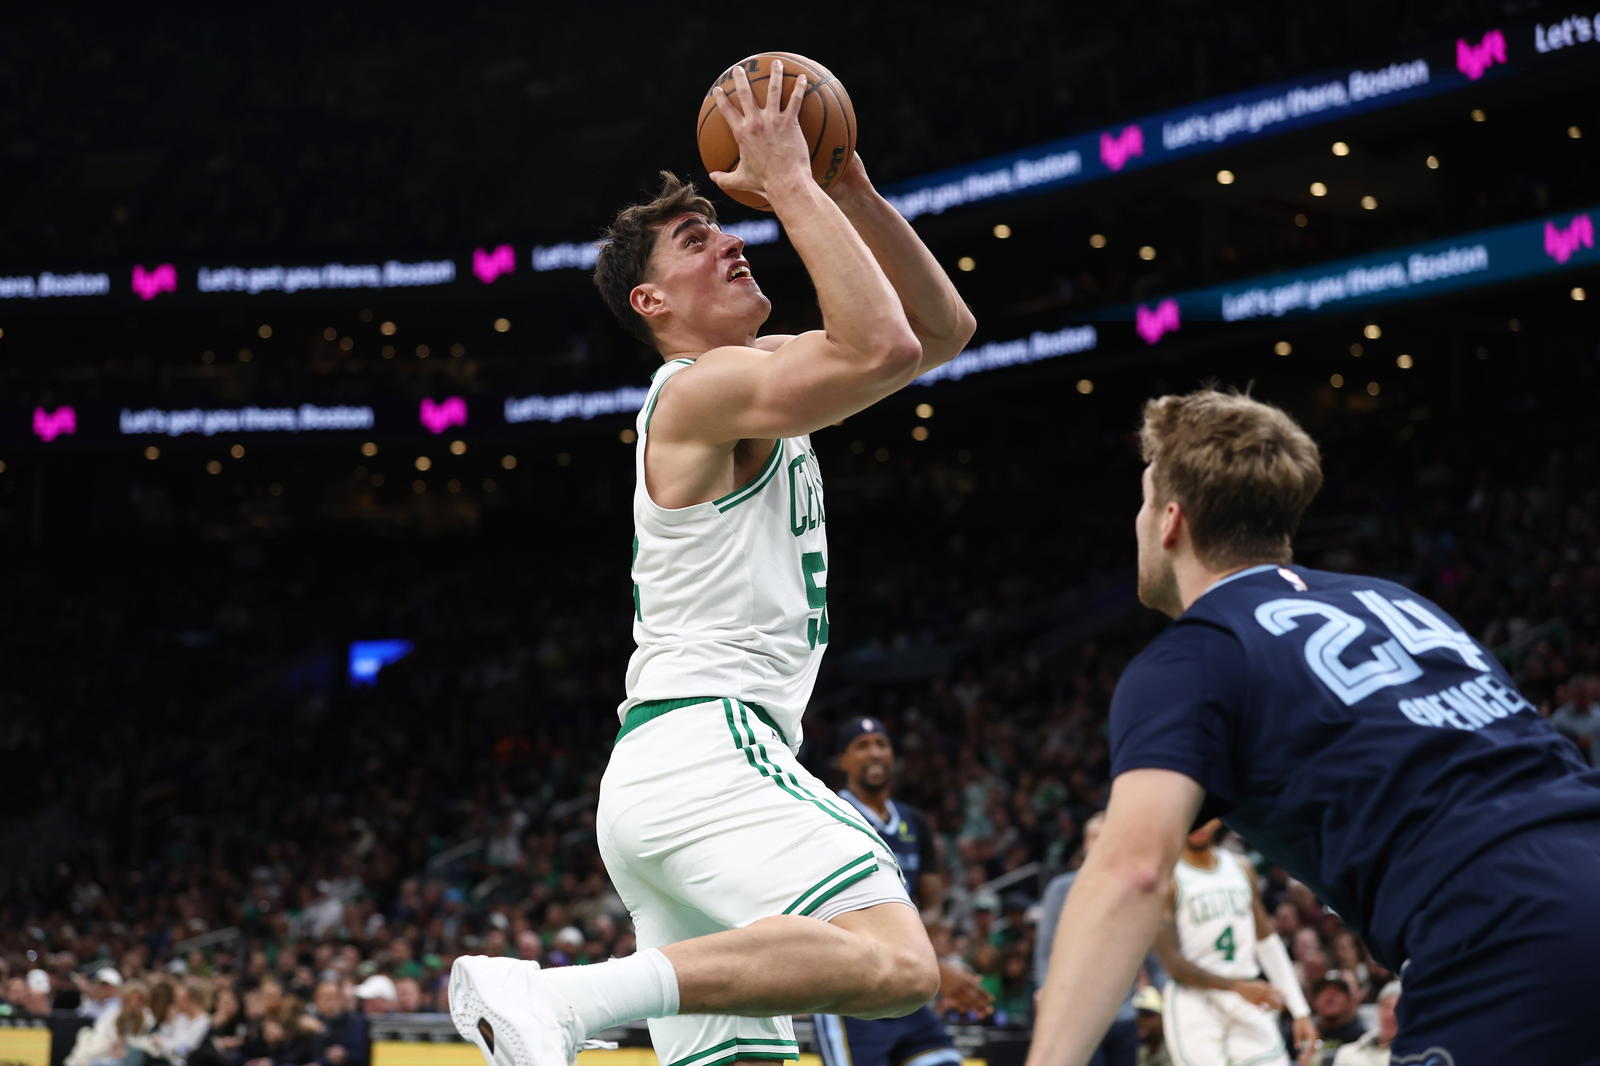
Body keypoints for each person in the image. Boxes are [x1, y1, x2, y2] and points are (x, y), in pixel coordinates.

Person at [449, 58, 975, 1066]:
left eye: (725, 224)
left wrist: (844, 185)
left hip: (672, 772)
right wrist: (788, 182)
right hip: (711, 749)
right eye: (699, 239)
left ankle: (579, 1001)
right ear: (650, 300)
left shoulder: (756, 372)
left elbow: (938, 332)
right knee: (895, 963)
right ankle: (564, 997)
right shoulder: (696, 393)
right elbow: (884, 352)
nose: (734, 239)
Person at [1028, 388, 1600, 1066]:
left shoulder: (1195, 654)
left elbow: (1131, 873)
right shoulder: (1398, 601)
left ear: (1171, 521)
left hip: (1505, 930)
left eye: (1145, 499)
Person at [814, 717, 993, 1066]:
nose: (875, 753)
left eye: (882, 744)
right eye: (862, 746)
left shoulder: (914, 821)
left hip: (903, 984)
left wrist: (921, 951)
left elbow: (934, 904)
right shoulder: (827, 813)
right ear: (841, 761)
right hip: (848, 989)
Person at [1152, 820, 1314, 1066]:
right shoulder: (1166, 877)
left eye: (1204, 815)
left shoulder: (1240, 867)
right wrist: (1236, 987)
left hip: (1246, 994)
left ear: (1217, 819)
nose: (1199, 824)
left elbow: (1266, 940)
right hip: (1196, 1001)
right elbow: (1174, 965)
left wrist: (1299, 1010)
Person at [1035, 812, 1158, 1066]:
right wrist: (1045, 991)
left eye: (1108, 838)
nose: (1100, 844)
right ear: (1085, 843)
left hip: (1124, 1014)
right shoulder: (1061, 889)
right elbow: (1045, 951)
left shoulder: (1133, 890)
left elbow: (1150, 949)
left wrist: (1162, 989)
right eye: (1094, 838)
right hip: (1074, 1015)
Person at [1328, 982, 1400, 1066]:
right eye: (1386, 1007)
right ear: (1378, 1009)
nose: (1390, 1015)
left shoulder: (1411, 1057)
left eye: (1398, 1009)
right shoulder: (1346, 1053)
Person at [1298, 978, 1364, 1063]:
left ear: (1349, 1002)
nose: (1330, 996)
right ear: (1313, 1001)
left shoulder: (1361, 1038)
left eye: (1337, 992)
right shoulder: (1302, 1034)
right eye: (1323, 991)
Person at [1129, 988, 1169, 1066]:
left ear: (1163, 1017)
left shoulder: (1175, 1048)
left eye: (1147, 1015)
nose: (1141, 1020)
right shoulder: (1142, 1048)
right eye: (1139, 1015)